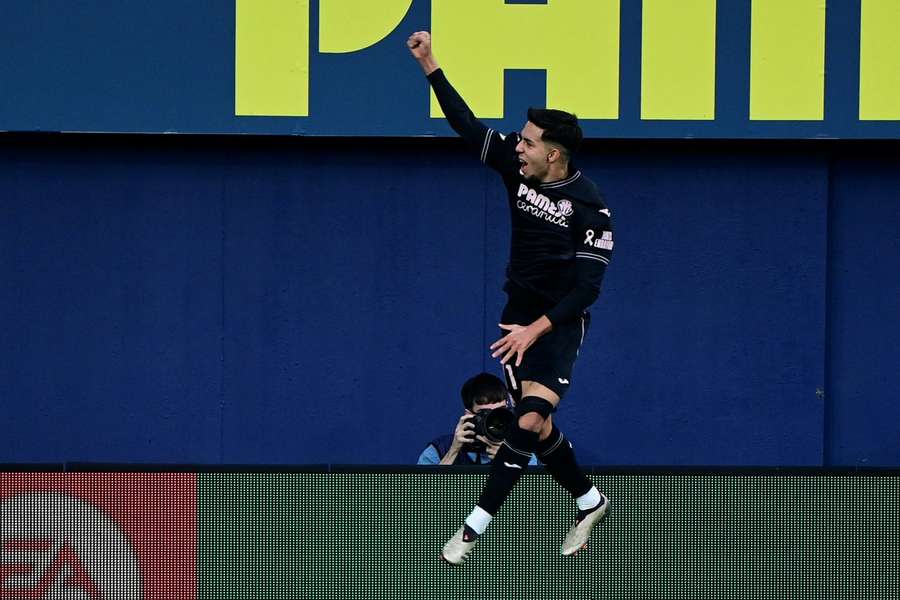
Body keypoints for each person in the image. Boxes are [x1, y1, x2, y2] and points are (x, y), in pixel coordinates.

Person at [407, 31, 615, 565]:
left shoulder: (591, 208)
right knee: (539, 426)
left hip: (558, 324)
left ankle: (472, 530)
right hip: (516, 317)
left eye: (526, 141)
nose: (515, 146)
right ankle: (591, 502)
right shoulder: (516, 168)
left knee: (526, 421)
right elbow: (467, 127)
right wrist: (431, 64)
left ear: (554, 153)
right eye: (518, 140)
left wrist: (536, 330)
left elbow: (588, 288)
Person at [418, 372, 538, 466]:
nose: (495, 419)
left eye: (500, 411)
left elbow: (532, 496)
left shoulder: (522, 452)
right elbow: (421, 495)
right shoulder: (439, 450)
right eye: (485, 413)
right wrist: (453, 451)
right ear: (468, 414)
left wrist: (509, 463)